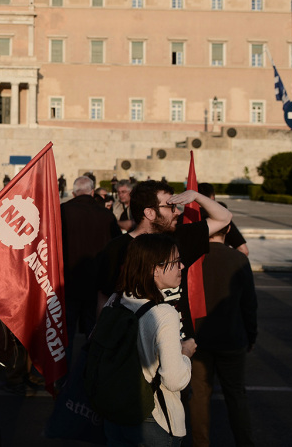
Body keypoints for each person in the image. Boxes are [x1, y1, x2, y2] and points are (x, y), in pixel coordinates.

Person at [95, 180, 233, 337]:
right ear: (150, 213)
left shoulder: (180, 236)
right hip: (134, 343)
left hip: (178, 340)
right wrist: (103, 335)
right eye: (171, 206)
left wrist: (196, 196)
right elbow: (104, 296)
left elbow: (224, 218)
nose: (177, 212)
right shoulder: (116, 248)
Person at [103, 233, 196, 447]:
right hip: (153, 416)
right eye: (175, 262)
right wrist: (186, 354)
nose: (182, 266)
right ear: (155, 268)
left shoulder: (116, 299)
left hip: (115, 410)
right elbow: (173, 380)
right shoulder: (164, 313)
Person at [188, 213, 257, 447]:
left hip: (198, 338)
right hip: (232, 337)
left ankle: (200, 443)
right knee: (236, 395)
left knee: (199, 395)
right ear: (227, 231)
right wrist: (251, 335)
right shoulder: (238, 259)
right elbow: (249, 303)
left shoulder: (194, 258)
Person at [61, 175, 121, 356]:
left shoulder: (62, 211)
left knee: (66, 335)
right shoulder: (106, 215)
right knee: (93, 333)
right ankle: (89, 376)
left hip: (68, 284)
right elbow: (117, 246)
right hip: (97, 286)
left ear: (73, 193)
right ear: (92, 192)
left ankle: (63, 379)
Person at [197, 183, 250, 256]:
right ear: (212, 198)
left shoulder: (182, 218)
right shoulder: (219, 218)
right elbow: (243, 250)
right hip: (218, 261)